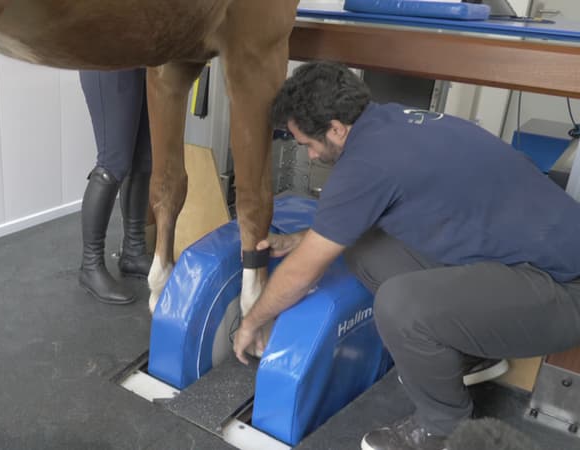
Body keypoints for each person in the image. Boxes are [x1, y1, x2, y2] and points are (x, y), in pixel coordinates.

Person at [232, 61, 580, 450]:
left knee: (400, 306)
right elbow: (356, 217)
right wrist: (308, 239)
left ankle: (443, 427)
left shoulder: (366, 164)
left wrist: (251, 322)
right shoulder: (391, 124)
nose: (310, 156)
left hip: (563, 291)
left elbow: (301, 275)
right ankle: (471, 353)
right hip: (527, 264)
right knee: (364, 249)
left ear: (335, 128)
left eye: (308, 145)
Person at [78, 69, 152, 305]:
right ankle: (91, 265)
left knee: (143, 160)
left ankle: (134, 251)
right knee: (113, 163)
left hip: (141, 57)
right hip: (107, 56)